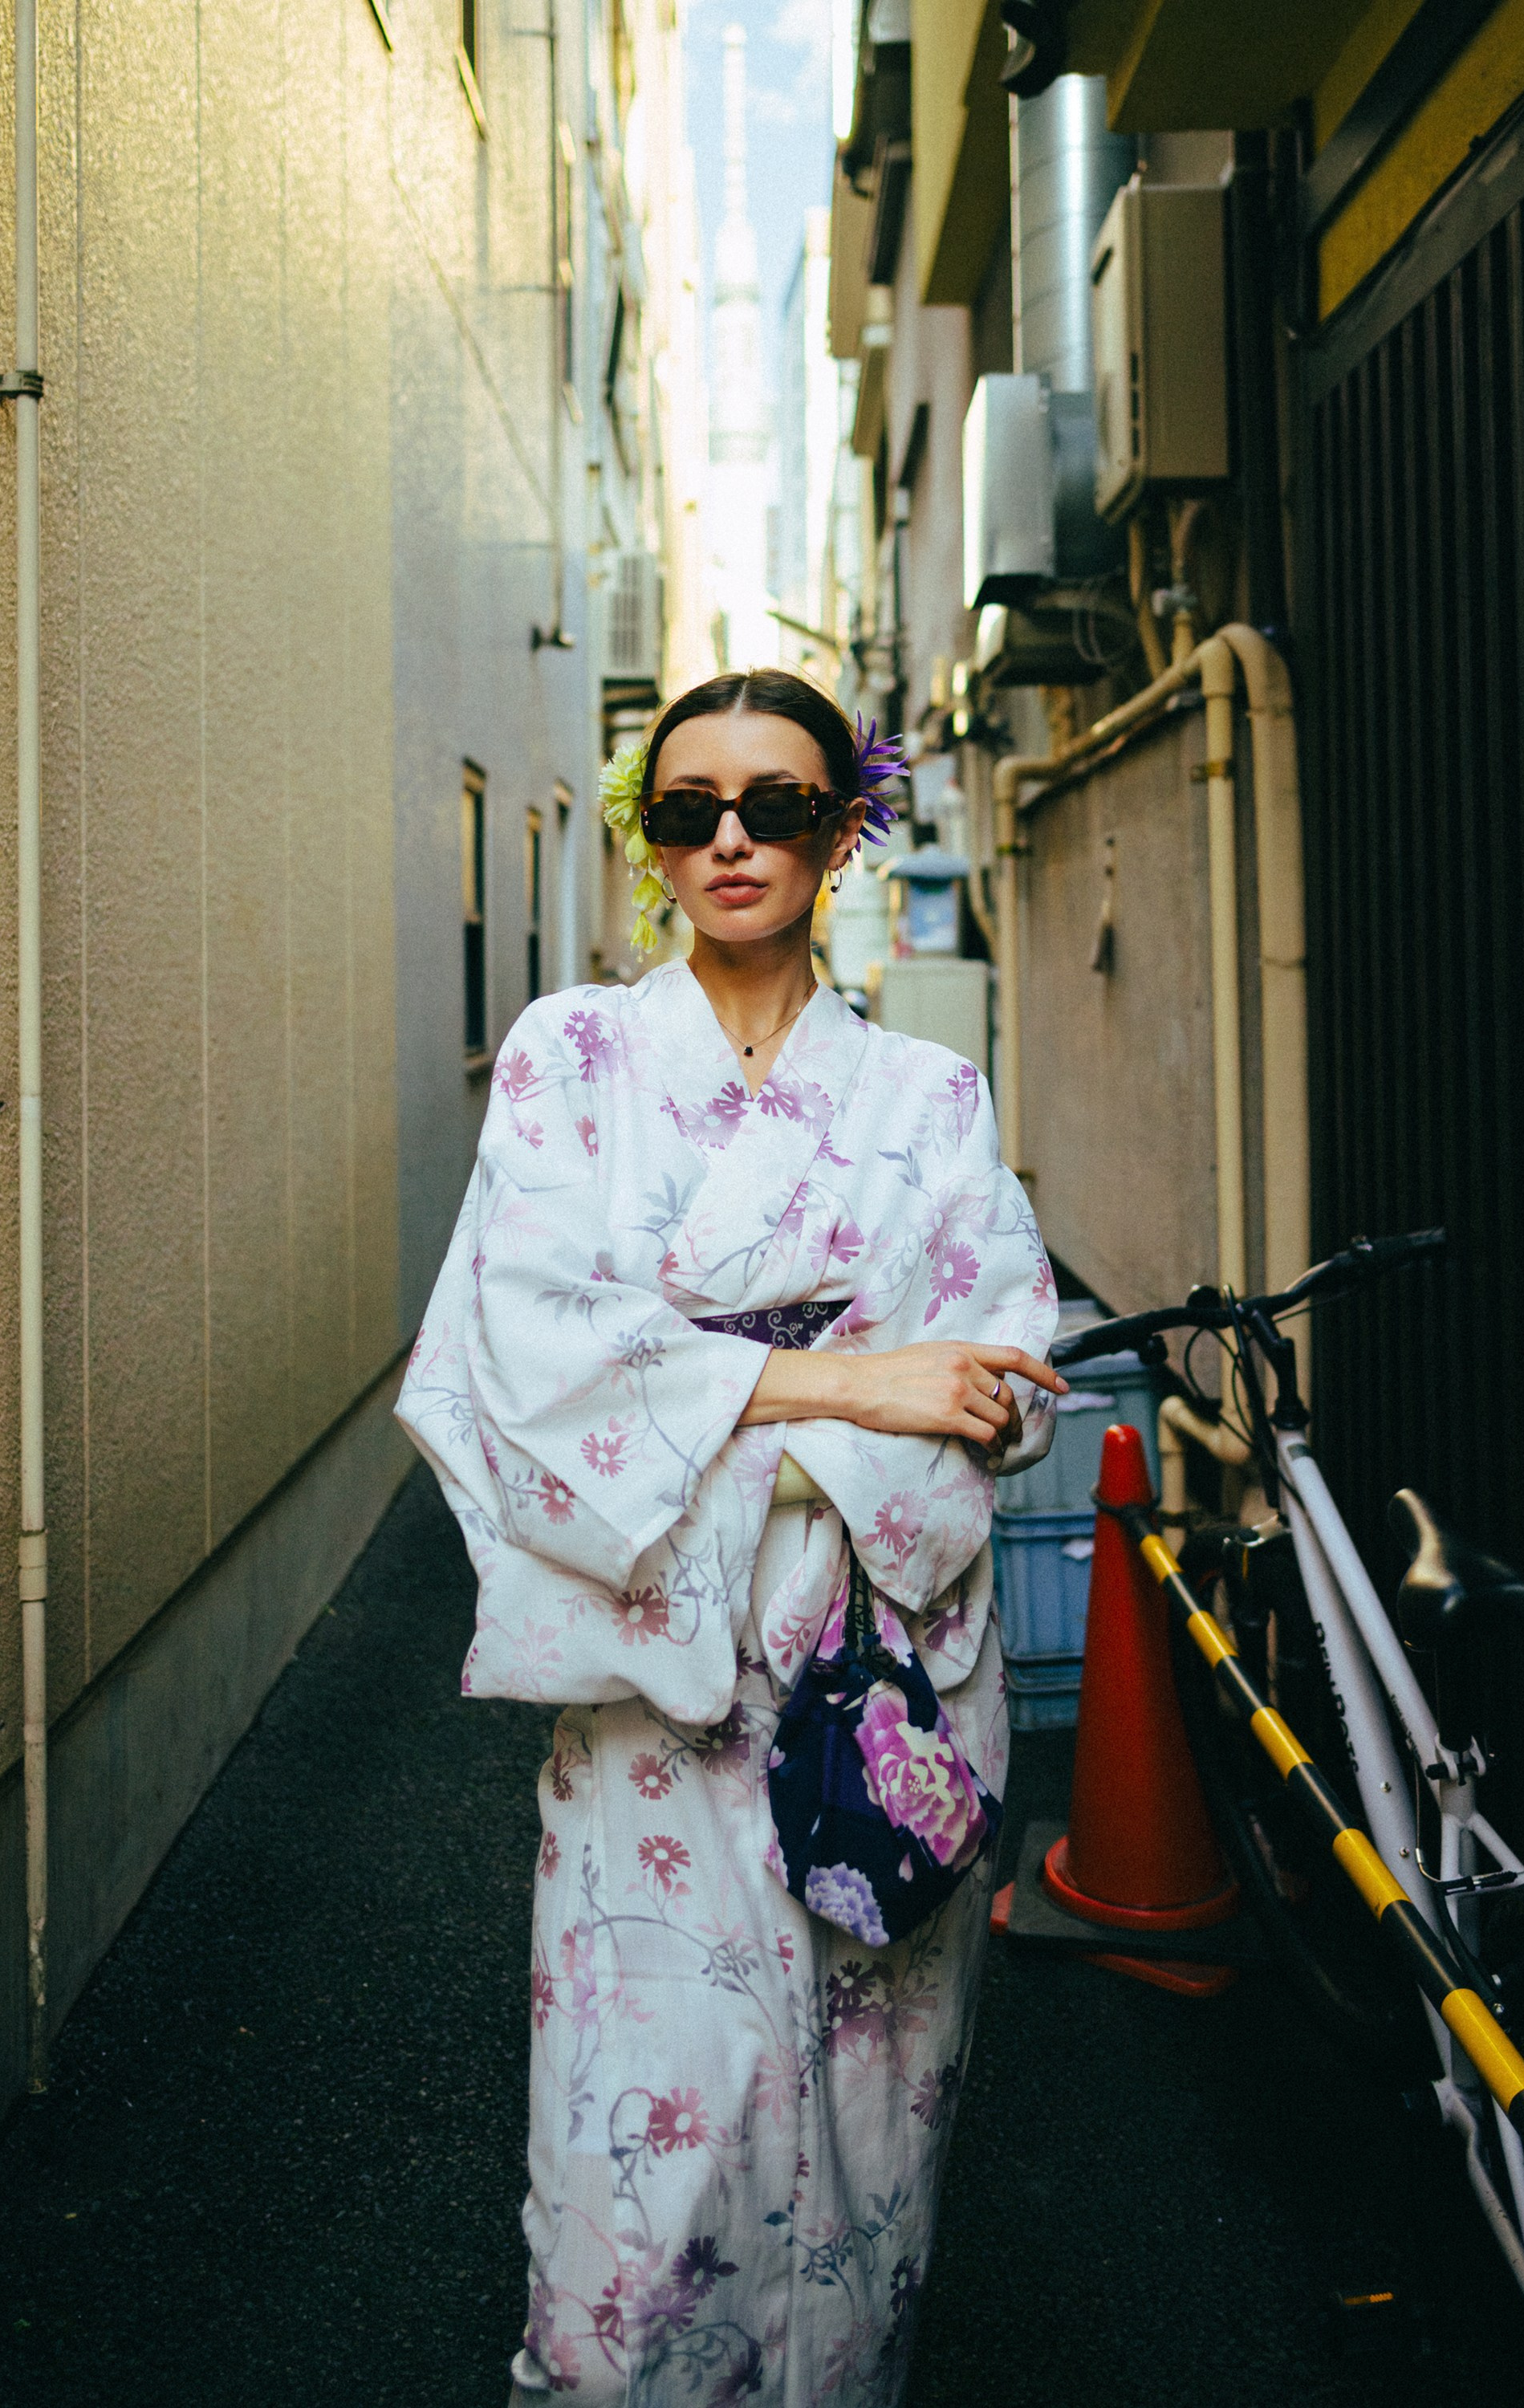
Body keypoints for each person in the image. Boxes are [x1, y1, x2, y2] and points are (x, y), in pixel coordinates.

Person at [398, 668, 1064, 2406]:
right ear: (652, 840)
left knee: (869, 2136)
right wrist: (859, 1382)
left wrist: (729, 1399)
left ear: (844, 832)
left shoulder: (930, 1097)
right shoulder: (574, 1056)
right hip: (655, 1688)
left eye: (778, 805)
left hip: (876, 1686)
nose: (732, 841)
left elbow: (1000, 1383)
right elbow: (529, 1356)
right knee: (635, 2169)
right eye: (689, 809)